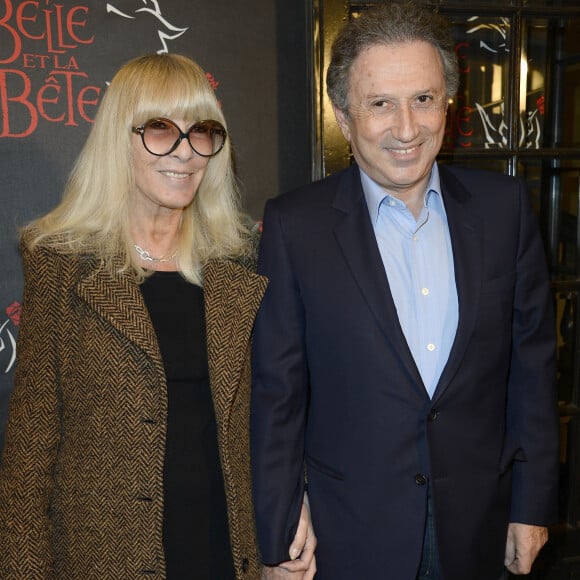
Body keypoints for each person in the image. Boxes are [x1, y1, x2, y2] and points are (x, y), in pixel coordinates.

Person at [250, 3, 560, 579]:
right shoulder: (296, 227)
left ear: (449, 103)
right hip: (348, 534)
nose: (406, 128)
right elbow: (277, 393)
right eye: (380, 104)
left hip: (480, 527)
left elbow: (532, 369)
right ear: (344, 118)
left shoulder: (506, 211)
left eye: (422, 98)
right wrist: (279, 530)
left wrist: (533, 502)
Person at [0, 53, 315, 580]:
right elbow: (28, 459)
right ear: (118, 139)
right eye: (161, 129)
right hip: (104, 559)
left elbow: (275, 414)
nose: (186, 152)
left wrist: (283, 523)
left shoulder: (241, 264)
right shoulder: (61, 265)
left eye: (203, 132)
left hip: (226, 549)